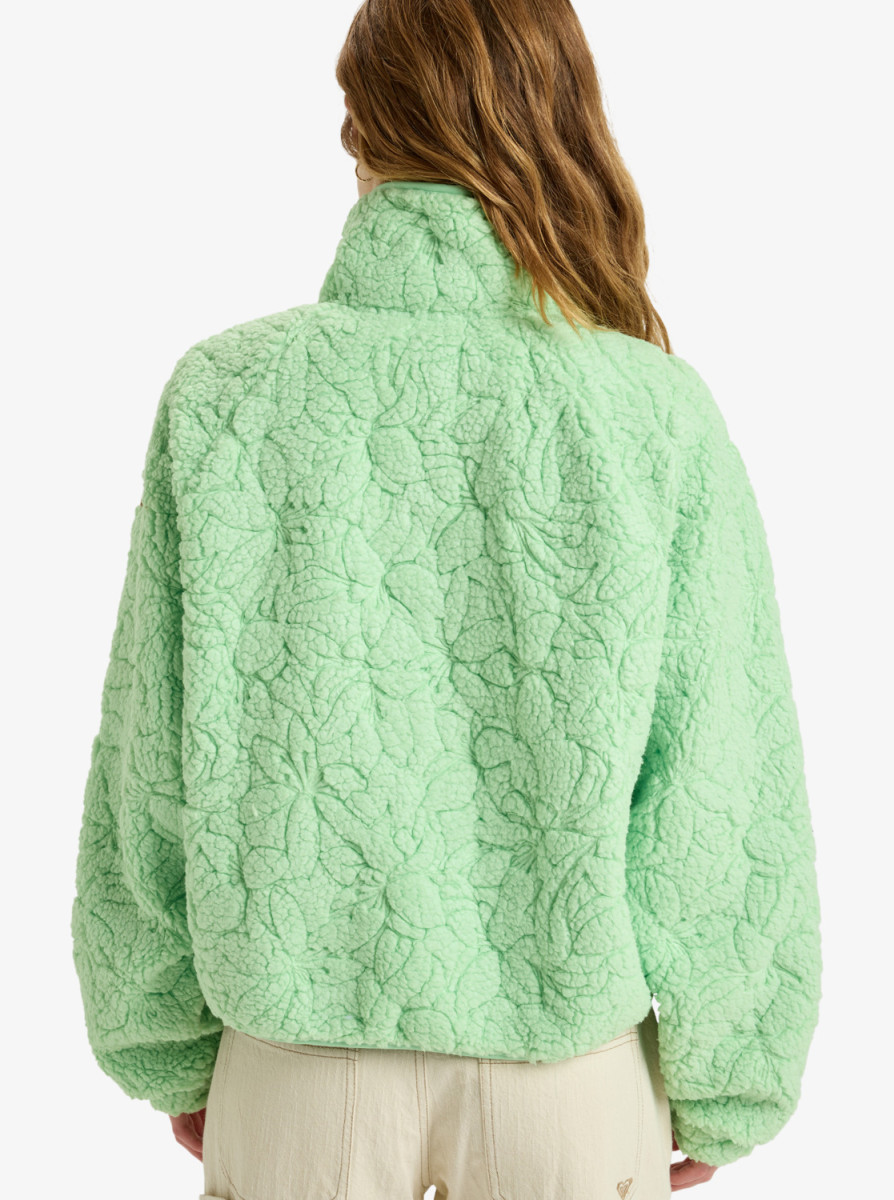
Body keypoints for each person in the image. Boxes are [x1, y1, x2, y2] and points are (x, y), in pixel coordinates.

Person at [69, 1, 823, 1197]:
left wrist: (164, 1039)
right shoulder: (655, 414)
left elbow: (152, 765)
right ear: (560, 113)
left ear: (359, 127)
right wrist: (734, 1076)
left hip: (297, 1059)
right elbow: (720, 788)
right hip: (569, 1073)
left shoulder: (226, 396)